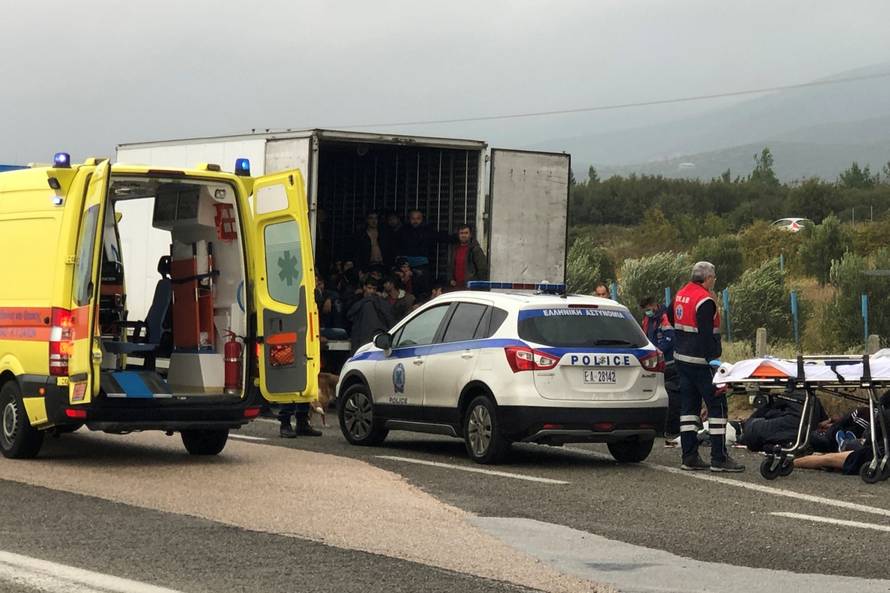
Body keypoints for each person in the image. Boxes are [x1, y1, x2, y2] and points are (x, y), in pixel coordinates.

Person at [673, 261, 744, 472]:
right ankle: (719, 457)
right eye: (713, 278)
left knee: (688, 410)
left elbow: (671, 316)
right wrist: (713, 361)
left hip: (682, 360)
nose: (714, 281)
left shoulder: (682, 294)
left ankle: (689, 456)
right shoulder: (704, 300)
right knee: (717, 406)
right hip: (702, 363)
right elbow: (705, 333)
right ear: (708, 278)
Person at [640, 296, 681, 447]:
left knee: (669, 392)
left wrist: (658, 351)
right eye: (645, 311)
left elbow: (671, 338)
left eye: (648, 309)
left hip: (668, 361)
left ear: (654, 305)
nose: (647, 312)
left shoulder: (664, 317)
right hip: (654, 361)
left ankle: (670, 425)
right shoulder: (647, 319)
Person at [396, 209, 449, 296]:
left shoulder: (427, 231)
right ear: (409, 219)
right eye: (413, 218)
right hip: (405, 267)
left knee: (423, 291)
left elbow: (441, 237)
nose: (415, 221)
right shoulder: (402, 231)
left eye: (418, 218)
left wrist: (457, 238)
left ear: (422, 219)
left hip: (422, 267)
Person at [346, 278, 395, 353]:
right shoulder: (355, 299)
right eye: (369, 288)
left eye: (374, 289)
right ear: (364, 287)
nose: (371, 291)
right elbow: (350, 315)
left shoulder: (380, 301)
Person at [449, 224, 488, 289]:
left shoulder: (475, 249)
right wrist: (451, 279)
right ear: (458, 235)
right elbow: (451, 266)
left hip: (471, 288)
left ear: (470, 235)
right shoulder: (455, 249)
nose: (463, 235)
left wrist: (480, 286)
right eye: (461, 233)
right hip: (456, 287)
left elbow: (482, 269)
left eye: (466, 233)